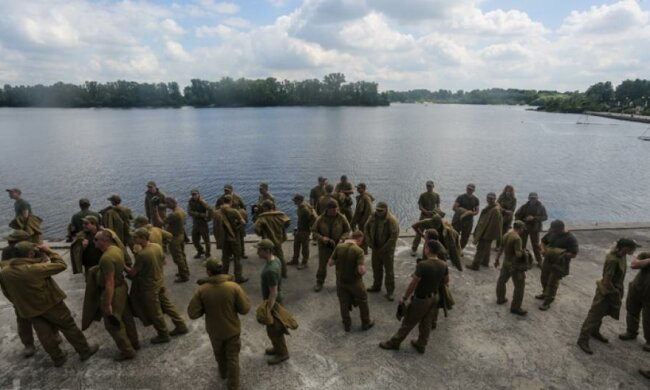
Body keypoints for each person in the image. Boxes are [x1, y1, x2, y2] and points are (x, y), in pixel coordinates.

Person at [0, 242, 99, 366]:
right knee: (69, 327)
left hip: (29, 310)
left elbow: (6, 292)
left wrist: (21, 303)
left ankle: (58, 358)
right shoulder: (34, 269)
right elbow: (61, 265)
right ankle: (85, 351)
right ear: (30, 253)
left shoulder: (5, 271)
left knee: (44, 335)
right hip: (51, 305)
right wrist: (49, 251)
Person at [188, 257, 251, 390]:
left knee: (219, 353)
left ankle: (223, 373)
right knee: (233, 358)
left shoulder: (202, 290)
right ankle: (233, 386)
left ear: (209, 272)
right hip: (232, 330)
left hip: (214, 331)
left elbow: (192, 314)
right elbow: (245, 309)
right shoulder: (234, 287)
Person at [379, 240, 449, 354]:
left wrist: (405, 297)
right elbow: (446, 281)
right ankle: (421, 344)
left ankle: (394, 342)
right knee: (426, 323)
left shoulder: (423, 264)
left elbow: (413, 283)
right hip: (435, 297)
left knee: (408, 322)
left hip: (422, 299)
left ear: (428, 249)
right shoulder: (443, 264)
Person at [577, 238, 641, 354]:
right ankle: (583, 339)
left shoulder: (622, 255)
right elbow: (607, 281)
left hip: (614, 289)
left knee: (602, 313)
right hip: (607, 292)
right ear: (625, 248)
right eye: (633, 248)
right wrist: (615, 293)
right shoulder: (613, 260)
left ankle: (595, 332)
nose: (634, 250)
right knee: (594, 315)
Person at [127, 228, 188, 344]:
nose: (133, 239)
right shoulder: (157, 247)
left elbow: (133, 273)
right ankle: (181, 325)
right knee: (168, 306)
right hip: (159, 281)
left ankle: (163, 334)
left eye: (136, 237)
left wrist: (124, 266)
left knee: (155, 312)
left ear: (143, 238)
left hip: (149, 287)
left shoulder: (142, 254)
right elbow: (163, 262)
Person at [92, 230, 140, 361]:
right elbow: (123, 264)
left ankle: (127, 351)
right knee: (127, 317)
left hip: (114, 292)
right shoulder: (116, 249)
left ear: (104, 241)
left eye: (96, 239)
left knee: (113, 323)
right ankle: (134, 343)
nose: (94, 241)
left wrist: (107, 304)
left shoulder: (106, 258)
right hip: (122, 287)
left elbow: (109, 282)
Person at [1, 230, 37, 357]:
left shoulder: (34, 248)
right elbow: (5, 270)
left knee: (47, 314)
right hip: (18, 289)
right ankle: (28, 343)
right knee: (23, 318)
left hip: (34, 286)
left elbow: (42, 263)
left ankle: (53, 335)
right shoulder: (6, 251)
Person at [328, 231, 374, 331]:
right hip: (354, 282)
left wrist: (341, 261)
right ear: (359, 239)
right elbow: (361, 270)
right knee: (363, 300)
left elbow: (330, 263)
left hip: (340, 282)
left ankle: (347, 324)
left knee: (343, 303)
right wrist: (364, 270)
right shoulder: (359, 251)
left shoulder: (339, 247)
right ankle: (366, 322)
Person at [256, 239, 290, 365]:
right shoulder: (276, 259)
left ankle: (283, 353)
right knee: (274, 329)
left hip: (273, 302)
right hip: (275, 299)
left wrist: (268, 310)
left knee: (274, 330)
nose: (257, 252)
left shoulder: (270, 270)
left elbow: (273, 292)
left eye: (260, 250)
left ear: (267, 251)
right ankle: (277, 348)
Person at [536, 220, 579, 311]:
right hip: (548, 260)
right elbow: (543, 241)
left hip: (560, 263)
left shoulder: (571, 238)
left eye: (554, 230)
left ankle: (547, 301)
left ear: (561, 229)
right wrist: (543, 249)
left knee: (552, 283)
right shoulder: (552, 233)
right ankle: (545, 293)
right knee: (544, 278)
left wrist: (558, 253)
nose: (552, 231)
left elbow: (574, 254)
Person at [311, 201, 351, 292]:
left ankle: (340, 284)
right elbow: (313, 231)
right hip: (324, 247)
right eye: (332, 210)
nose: (335, 212)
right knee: (322, 266)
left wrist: (342, 239)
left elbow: (347, 231)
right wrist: (322, 238)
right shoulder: (320, 219)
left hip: (338, 246)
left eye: (336, 210)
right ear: (327, 210)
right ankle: (319, 282)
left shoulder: (342, 218)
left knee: (340, 266)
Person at [364, 202, 400, 301]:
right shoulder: (372, 216)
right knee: (376, 268)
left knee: (389, 271)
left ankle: (390, 291)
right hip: (375, 248)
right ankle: (376, 286)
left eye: (381, 210)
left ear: (386, 210)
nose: (378, 212)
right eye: (377, 210)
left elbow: (394, 236)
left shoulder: (391, 220)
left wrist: (384, 248)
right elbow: (366, 228)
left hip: (387, 250)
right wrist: (369, 242)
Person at [494, 221, 529, 316]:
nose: (523, 230)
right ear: (520, 228)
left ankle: (500, 298)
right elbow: (518, 254)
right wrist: (524, 253)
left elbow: (501, 248)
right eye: (522, 229)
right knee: (519, 287)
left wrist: (497, 259)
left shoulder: (506, 234)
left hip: (506, 262)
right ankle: (515, 308)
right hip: (515, 266)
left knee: (502, 280)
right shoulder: (517, 238)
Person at [619, 251, 650, 352]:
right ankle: (631, 332)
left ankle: (649, 341)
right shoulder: (646, 255)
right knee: (632, 311)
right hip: (638, 288)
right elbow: (634, 265)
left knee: (648, 319)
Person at [213, 195, 248, 283]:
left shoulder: (217, 212)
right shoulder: (234, 211)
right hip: (234, 237)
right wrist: (237, 228)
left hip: (224, 238)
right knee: (237, 258)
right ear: (231, 202)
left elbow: (216, 227)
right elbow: (243, 223)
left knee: (225, 258)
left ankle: (224, 276)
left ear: (222, 202)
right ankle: (238, 277)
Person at [154, 197, 189, 283]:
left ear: (172, 203)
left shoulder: (174, 214)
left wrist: (155, 211)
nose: (167, 205)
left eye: (168, 204)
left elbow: (160, 222)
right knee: (182, 255)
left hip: (175, 237)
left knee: (178, 258)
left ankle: (184, 276)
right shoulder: (181, 210)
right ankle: (185, 271)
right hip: (181, 235)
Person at [254, 200, 291, 278]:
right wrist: (283, 228)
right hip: (279, 238)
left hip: (268, 240)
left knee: (269, 257)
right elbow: (288, 222)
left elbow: (256, 228)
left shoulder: (262, 217)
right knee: (280, 256)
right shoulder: (280, 215)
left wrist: (260, 233)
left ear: (265, 207)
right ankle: (284, 273)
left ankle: (272, 273)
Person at [467, 193, 503, 271]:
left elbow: (493, 225)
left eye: (491, 198)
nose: (489, 200)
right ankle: (485, 262)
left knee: (480, 248)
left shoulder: (495, 210)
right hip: (487, 232)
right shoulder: (492, 207)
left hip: (487, 233)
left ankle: (475, 265)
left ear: (494, 199)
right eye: (488, 198)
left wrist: (486, 234)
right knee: (486, 248)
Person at [515, 192, 548, 267]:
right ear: (529, 198)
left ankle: (539, 260)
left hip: (535, 229)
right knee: (522, 244)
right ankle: (522, 258)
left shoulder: (541, 207)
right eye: (531, 198)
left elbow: (545, 217)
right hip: (524, 228)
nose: (532, 199)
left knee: (536, 245)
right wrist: (521, 222)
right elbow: (517, 215)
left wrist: (534, 218)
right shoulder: (524, 206)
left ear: (537, 199)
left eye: (534, 198)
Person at [217, 184, 248, 259]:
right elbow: (217, 207)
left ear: (231, 190)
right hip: (227, 222)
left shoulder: (237, 197)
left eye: (227, 190)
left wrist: (240, 215)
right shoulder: (221, 198)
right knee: (228, 238)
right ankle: (230, 254)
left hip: (237, 221)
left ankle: (242, 253)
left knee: (240, 238)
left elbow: (244, 207)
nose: (226, 191)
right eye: (225, 190)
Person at [411, 180, 441, 256]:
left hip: (432, 217)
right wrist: (426, 211)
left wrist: (437, 211)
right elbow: (420, 206)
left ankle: (433, 249)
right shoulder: (423, 195)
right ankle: (414, 248)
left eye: (430, 186)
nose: (429, 187)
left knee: (433, 234)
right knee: (418, 233)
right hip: (423, 216)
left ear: (433, 186)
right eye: (427, 186)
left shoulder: (436, 195)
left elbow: (438, 206)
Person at [290, 194, 315, 270]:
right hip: (300, 229)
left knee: (305, 247)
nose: (294, 202)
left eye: (295, 200)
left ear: (299, 200)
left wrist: (308, 229)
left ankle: (304, 262)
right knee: (296, 245)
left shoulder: (304, 209)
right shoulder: (301, 207)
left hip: (304, 231)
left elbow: (311, 219)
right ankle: (295, 260)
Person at [451, 184, 479, 250]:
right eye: (468, 189)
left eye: (471, 189)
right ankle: (452, 250)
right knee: (454, 235)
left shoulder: (476, 199)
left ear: (474, 190)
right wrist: (463, 211)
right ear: (466, 189)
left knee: (465, 238)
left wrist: (470, 213)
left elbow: (477, 211)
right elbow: (454, 207)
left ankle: (460, 250)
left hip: (468, 221)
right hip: (458, 219)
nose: (469, 190)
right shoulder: (461, 197)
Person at [350, 183, 374, 254]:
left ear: (364, 189)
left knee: (362, 236)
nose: (357, 189)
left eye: (359, 188)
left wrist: (353, 222)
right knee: (365, 235)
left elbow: (358, 212)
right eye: (357, 188)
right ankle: (364, 250)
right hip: (368, 220)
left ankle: (363, 251)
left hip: (364, 221)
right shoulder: (367, 195)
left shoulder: (363, 198)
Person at [188, 188, 212, 259]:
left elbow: (209, 210)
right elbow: (189, 212)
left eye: (195, 194)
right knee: (194, 239)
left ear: (198, 194)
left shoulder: (203, 202)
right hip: (195, 223)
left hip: (203, 224)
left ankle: (207, 254)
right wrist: (200, 214)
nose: (194, 196)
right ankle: (200, 251)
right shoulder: (190, 201)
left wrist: (207, 218)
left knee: (206, 241)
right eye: (193, 195)